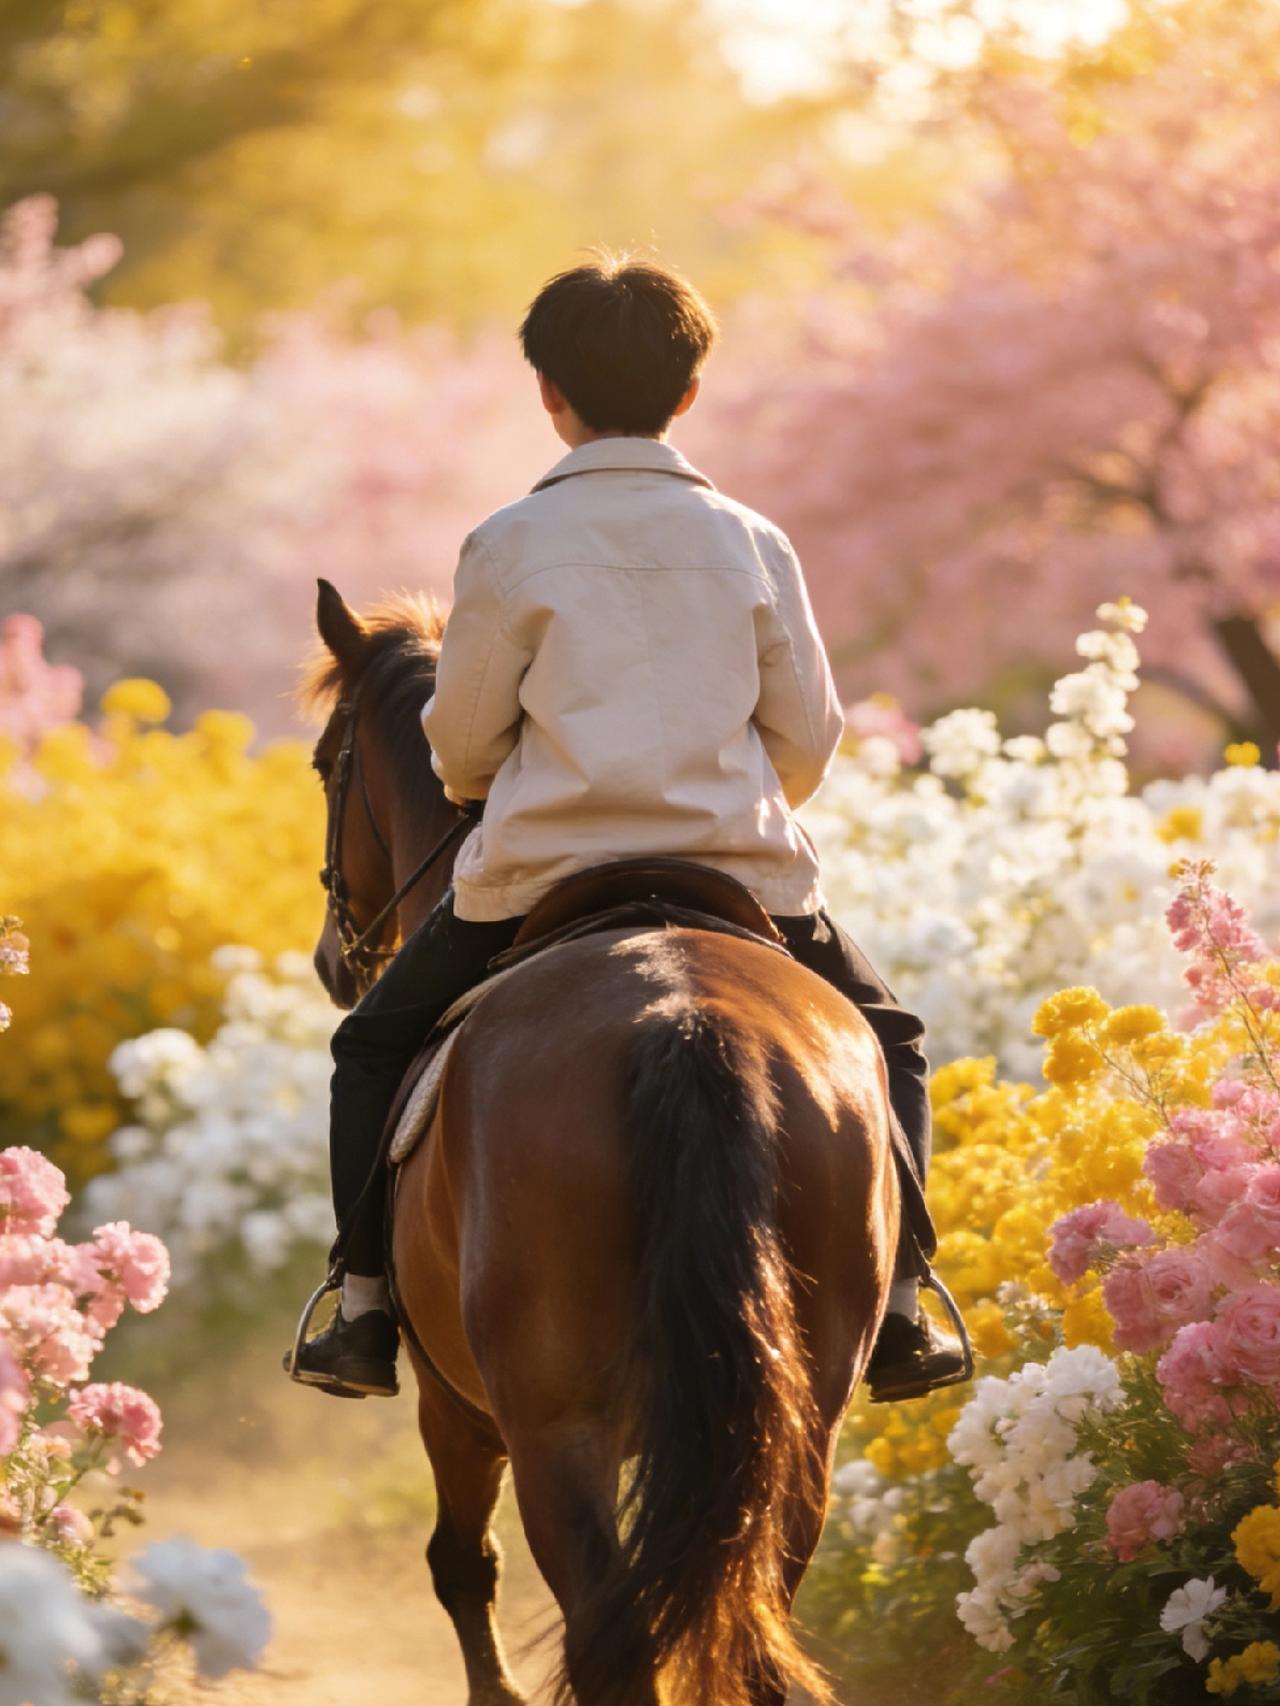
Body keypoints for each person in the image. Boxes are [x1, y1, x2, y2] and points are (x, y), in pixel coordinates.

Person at [288, 257, 965, 1404]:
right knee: (886, 1037)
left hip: (535, 879)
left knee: (370, 1043)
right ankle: (900, 1306)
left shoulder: (506, 543)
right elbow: (808, 733)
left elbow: (457, 746)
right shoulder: (755, 541)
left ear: (547, 391)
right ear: (688, 393)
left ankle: (358, 1304)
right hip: (740, 877)